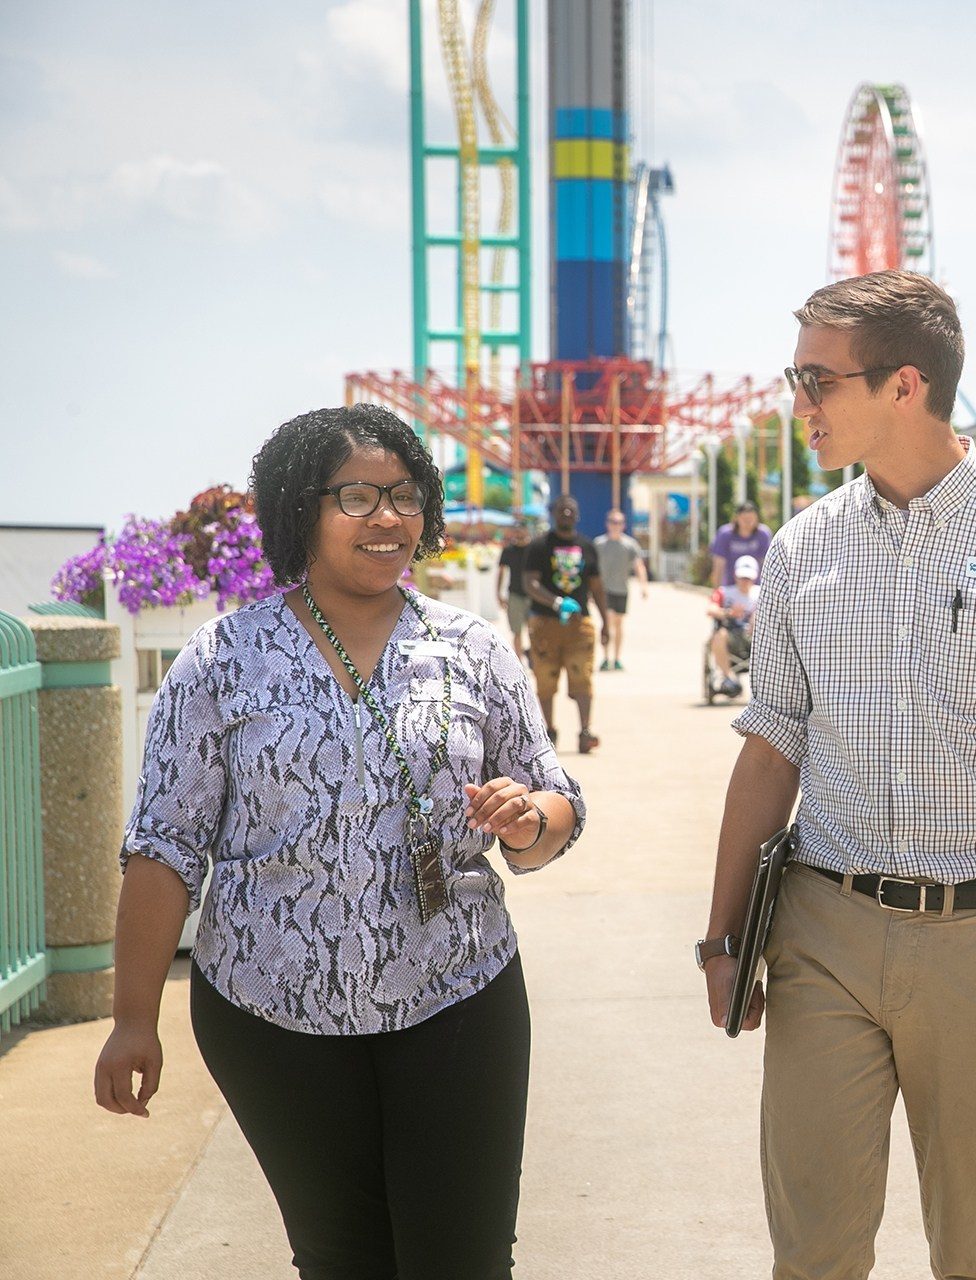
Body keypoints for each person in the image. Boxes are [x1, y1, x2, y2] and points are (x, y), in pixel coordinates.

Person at [697, 269, 976, 1280]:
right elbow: (771, 745)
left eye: (818, 379)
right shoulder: (802, 551)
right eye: (796, 377)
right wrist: (722, 937)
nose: (799, 404)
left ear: (905, 385)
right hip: (824, 931)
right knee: (813, 1251)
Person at [92, 403, 586, 1280]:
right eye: (356, 496)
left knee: (465, 1260)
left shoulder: (472, 648)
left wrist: (532, 820)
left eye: (405, 495)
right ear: (301, 509)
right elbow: (164, 846)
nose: (387, 517)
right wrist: (134, 1018)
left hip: (456, 994)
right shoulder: (222, 659)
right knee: (342, 1260)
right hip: (270, 1013)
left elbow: (557, 802)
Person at [524, 494, 610, 754]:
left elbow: (597, 587)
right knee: (546, 680)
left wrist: (606, 622)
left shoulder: (587, 546)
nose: (567, 514)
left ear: (578, 515)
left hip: (579, 625)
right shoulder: (539, 546)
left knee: (582, 676)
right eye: (562, 509)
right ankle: (549, 730)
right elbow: (530, 583)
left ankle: (585, 731)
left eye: (571, 510)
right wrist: (556, 602)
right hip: (545, 624)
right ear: (553, 514)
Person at [594, 507, 648, 671]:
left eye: (619, 522)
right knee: (607, 621)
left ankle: (616, 658)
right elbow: (591, 568)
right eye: (613, 522)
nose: (615, 525)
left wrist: (643, 586)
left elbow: (639, 565)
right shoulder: (599, 544)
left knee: (618, 624)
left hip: (622, 589)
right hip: (604, 590)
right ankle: (605, 657)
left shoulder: (629, 545)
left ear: (623, 525)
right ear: (607, 524)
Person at [704, 554, 759, 698]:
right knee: (718, 636)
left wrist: (757, 617)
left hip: (755, 638)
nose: (744, 581)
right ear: (735, 576)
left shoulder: (762, 593)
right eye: (742, 577)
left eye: (748, 578)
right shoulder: (724, 592)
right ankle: (730, 679)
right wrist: (728, 612)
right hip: (731, 636)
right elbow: (710, 609)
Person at [708, 498, 772, 589]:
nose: (748, 523)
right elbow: (718, 564)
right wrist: (716, 590)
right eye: (744, 519)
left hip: (755, 588)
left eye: (751, 519)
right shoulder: (725, 534)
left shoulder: (763, 534)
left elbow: (767, 563)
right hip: (730, 587)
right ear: (737, 518)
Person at [496, 522, 533, 665]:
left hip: (533, 596)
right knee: (516, 631)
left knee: (534, 630)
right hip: (515, 594)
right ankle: (520, 663)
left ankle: (533, 659)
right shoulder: (509, 550)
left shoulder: (534, 548)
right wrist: (499, 593)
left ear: (527, 530)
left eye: (521, 530)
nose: (518, 533)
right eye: (516, 530)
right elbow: (501, 572)